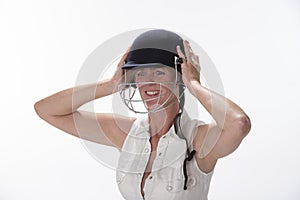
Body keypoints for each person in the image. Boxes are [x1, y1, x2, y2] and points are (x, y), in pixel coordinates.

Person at [34, 29, 251, 200]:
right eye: (140, 73)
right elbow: (46, 111)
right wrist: (109, 85)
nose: (148, 82)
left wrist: (194, 84)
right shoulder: (127, 134)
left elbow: (238, 124)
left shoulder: (199, 139)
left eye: (158, 72)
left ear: (179, 77)